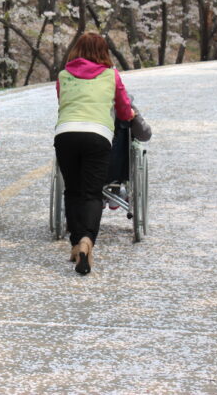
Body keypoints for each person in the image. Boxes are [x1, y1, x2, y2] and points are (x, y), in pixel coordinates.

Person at [54, 32, 135, 275]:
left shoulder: (63, 75)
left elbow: (62, 101)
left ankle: (75, 243)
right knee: (91, 193)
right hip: (98, 135)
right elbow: (123, 109)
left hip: (66, 133)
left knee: (72, 190)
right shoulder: (112, 75)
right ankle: (87, 241)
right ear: (104, 52)